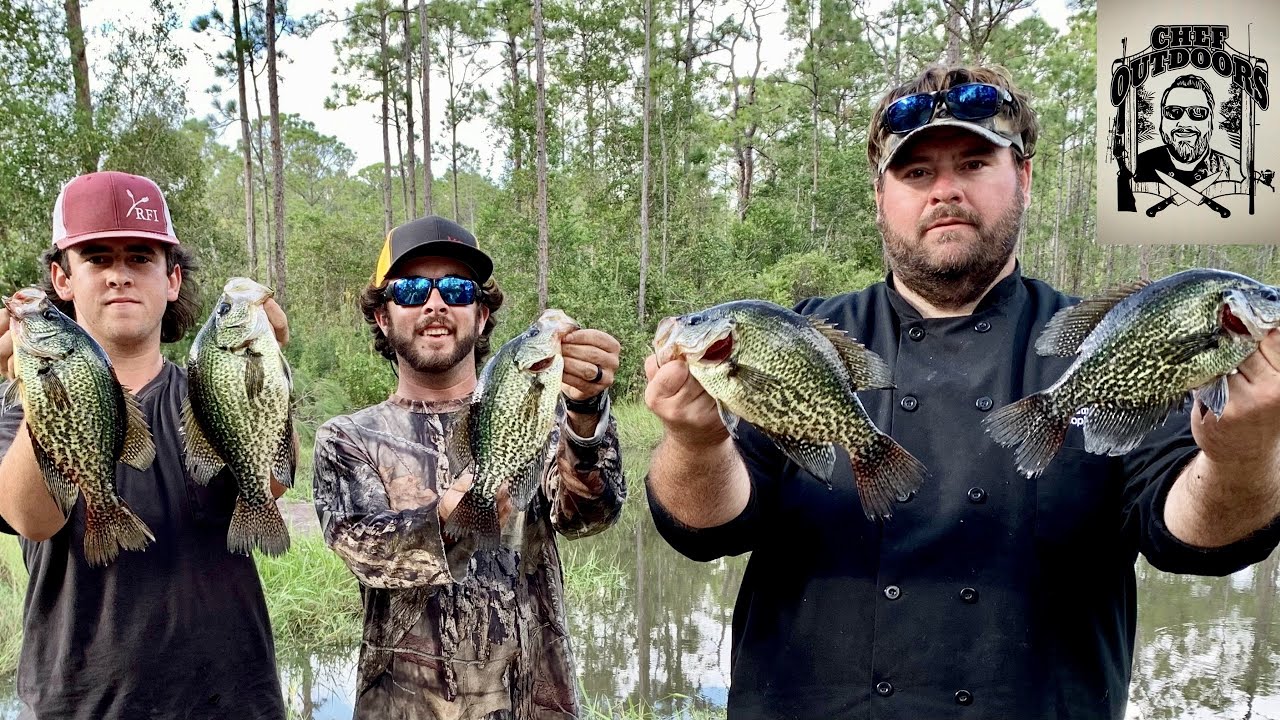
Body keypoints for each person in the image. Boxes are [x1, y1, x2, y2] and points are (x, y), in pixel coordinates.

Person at [643, 64, 1280, 718]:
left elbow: (1194, 537)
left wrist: (1242, 454)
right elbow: (708, 529)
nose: (944, 190)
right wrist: (695, 439)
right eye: (916, 173)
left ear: (1024, 178)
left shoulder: (1108, 342)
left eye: (974, 164)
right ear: (879, 194)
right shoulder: (806, 338)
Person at [0, 170, 290, 719]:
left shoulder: (209, 389)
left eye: (139, 258)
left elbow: (271, 481)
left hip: (233, 702)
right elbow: (32, 520)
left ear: (172, 279)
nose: (118, 276)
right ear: (63, 279)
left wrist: (271, 371)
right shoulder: (17, 404)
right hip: (84, 705)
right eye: (97, 259)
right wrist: (44, 381)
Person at [312, 215, 626, 719]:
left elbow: (591, 515)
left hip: (538, 704)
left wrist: (586, 411)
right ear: (382, 316)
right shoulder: (347, 437)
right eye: (412, 289)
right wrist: (446, 518)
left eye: (457, 289)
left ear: (481, 315)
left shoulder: (540, 415)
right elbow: (365, 553)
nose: (435, 303)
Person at [1135, 73, 1243, 186]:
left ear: (1211, 119)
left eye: (1197, 112)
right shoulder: (1137, 168)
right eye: (1173, 112)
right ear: (1162, 118)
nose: (1184, 123)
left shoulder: (1236, 173)